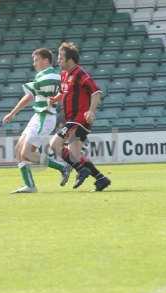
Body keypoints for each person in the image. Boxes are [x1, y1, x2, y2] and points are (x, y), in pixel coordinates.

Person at [2, 48, 72, 193]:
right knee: (18, 151)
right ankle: (30, 186)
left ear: (45, 60)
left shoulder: (50, 76)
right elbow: (31, 95)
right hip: (38, 116)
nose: (34, 63)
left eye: (36, 60)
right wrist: (13, 112)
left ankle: (63, 167)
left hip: (45, 117)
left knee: (27, 153)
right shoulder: (44, 76)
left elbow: (52, 90)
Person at [49, 42, 111, 192]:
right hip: (70, 118)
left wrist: (91, 111)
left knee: (54, 144)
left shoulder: (80, 73)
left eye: (61, 57)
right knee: (75, 156)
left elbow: (96, 92)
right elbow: (65, 92)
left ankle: (81, 170)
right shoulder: (64, 75)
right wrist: (55, 99)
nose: (58, 60)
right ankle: (101, 179)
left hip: (78, 119)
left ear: (70, 59)